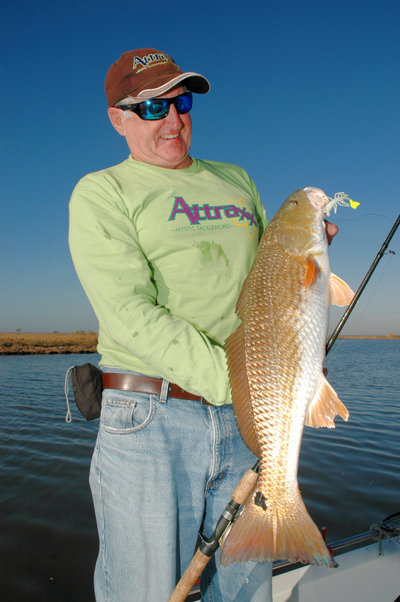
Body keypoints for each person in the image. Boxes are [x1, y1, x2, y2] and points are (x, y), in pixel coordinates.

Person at [69, 48, 336, 602]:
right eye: (150, 109)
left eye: (180, 102)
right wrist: (243, 383)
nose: (172, 119)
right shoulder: (102, 192)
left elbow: (264, 284)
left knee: (243, 590)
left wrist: (305, 265)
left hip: (245, 423)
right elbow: (130, 313)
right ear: (117, 118)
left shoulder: (235, 179)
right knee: (141, 590)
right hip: (151, 420)